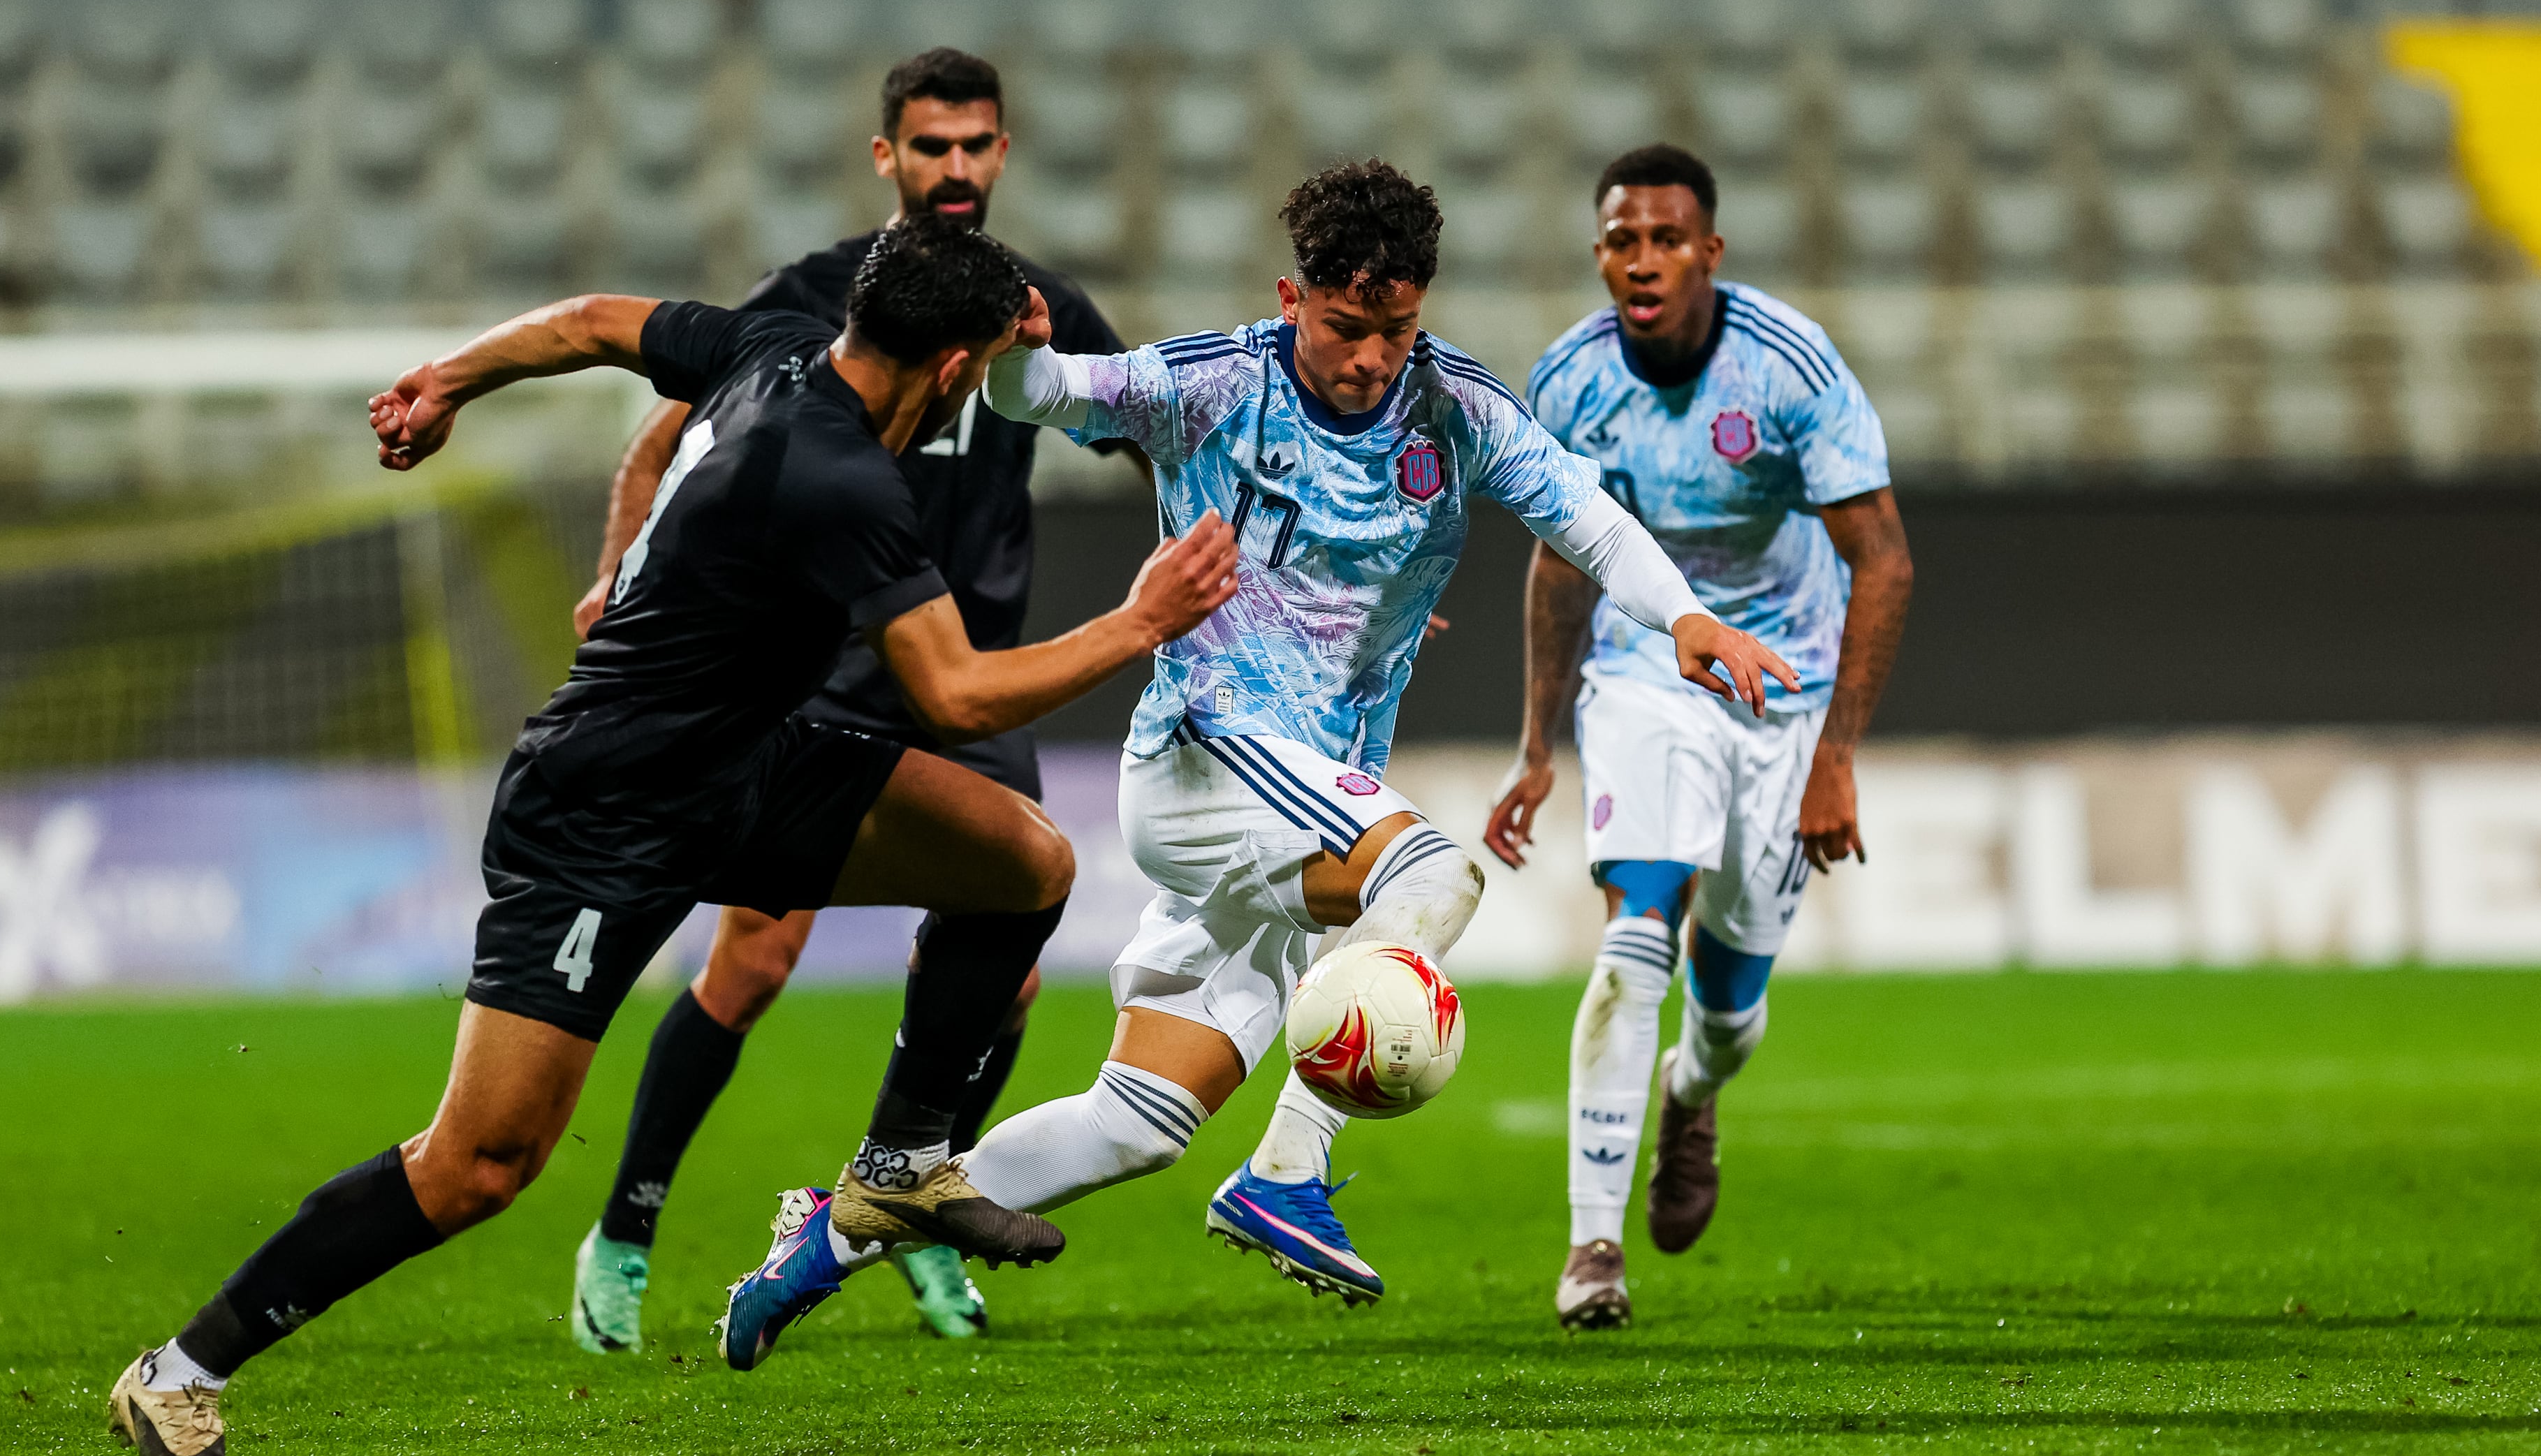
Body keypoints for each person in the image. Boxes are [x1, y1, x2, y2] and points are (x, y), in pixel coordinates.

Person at [105, 218, 1239, 1456]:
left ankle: (902, 1168)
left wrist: (450, 380)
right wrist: (1144, 618)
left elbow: (591, 317)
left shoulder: (775, 346)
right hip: (606, 807)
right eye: (981, 370)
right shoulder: (841, 479)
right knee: (482, 1163)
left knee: (1022, 861)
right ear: (950, 365)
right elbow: (960, 694)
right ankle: (180, 1375)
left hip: (746, 759)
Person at [713, 161, 1794, 1370]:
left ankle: (833, 1230)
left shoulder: (1458, 408)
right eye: (1347, 327)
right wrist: (1014, 348)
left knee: (1138, 1120)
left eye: (1397, 329)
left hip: (1303, 804)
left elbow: (1585, 516)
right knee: (1434, 876)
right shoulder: (1212, 382)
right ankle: (1290, 1168)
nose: (1374, 357)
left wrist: (1686, 617)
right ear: (1295, 297)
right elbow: (1051, 392)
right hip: (1206, 755)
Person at [563, 46, 1135, 1353]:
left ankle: (920, 1203)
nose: (954, 167)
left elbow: (1155, 425)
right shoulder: (821, 297)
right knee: (755, 957)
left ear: (1003, 153)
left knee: (1010, 978)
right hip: (824, 677)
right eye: (929, 146)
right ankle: (629, 1229)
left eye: (976, 145)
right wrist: (616, 574)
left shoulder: (1039, 306)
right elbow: (666, 431)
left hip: (973, 681)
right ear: (887, 154)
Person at [1482, 144, 1912, 1331]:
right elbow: (1563, 564)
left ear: (1709, 253)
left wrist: (1836, 755)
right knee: (1637, 927)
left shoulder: (1788, 368)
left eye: (1667, 239)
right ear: (1600, 253)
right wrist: (1537, 745)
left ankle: (1693, 1090)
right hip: (1643, 674)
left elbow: (1883, 558)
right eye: (1622, 238)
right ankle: (1592, 1247)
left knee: (1728, 1003)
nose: (1643, 259)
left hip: (1783, 686)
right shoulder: (1569, 381)